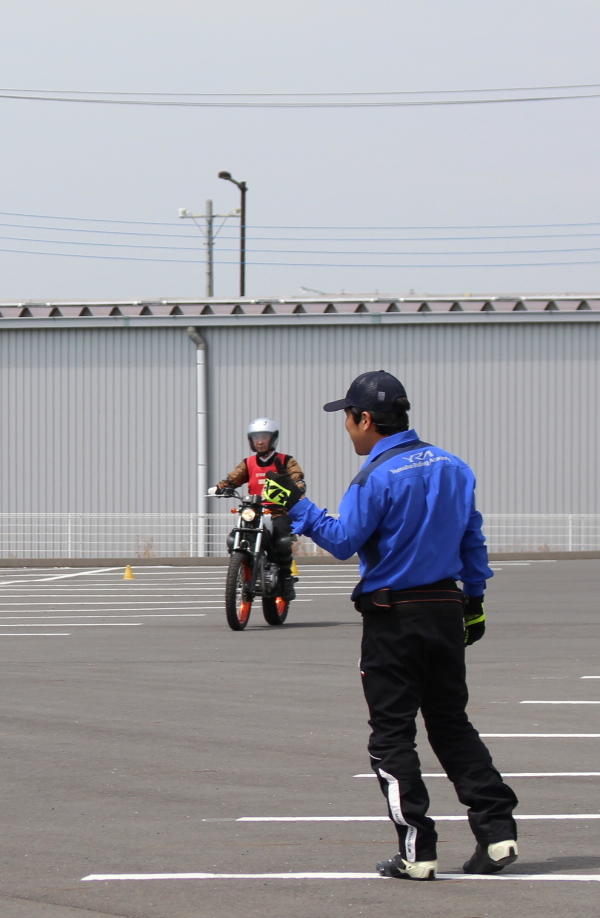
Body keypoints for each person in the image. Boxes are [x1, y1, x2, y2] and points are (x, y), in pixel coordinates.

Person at [282, 371, 519, 881]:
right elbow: (472, 540)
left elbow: (344, 540)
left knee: (391, 735)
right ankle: (497, 831)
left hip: (394, 615)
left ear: (365, 419)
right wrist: (474, 602)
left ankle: (417, 850)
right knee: (451, 723)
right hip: (445, 607)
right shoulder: (454, 466)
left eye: (348, 419)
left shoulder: (375, 476)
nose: (347, 430)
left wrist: (297, 506)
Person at [213, 417, 306, 591]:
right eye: (256, 437)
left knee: (282, 540)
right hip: (254, 510)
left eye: (264, 436)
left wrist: (298, 485)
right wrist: (220, 488)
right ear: (251, 440)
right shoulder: (248, 463)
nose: (260, 441)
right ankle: (240, 566)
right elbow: (234, 478)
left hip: (277, 510)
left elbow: (297, 476)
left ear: (273, 438)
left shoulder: (285, 460)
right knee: (233, 537)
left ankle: (285, 579)